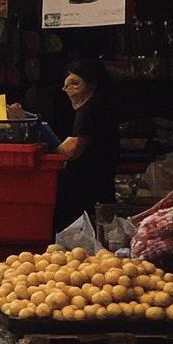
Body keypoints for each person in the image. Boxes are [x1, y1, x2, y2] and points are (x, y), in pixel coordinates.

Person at [52, 59, 119, 231]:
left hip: (89, 184)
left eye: (75, 83)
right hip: (95, 182)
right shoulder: (91, 107)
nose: (68, 89)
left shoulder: (91, 108)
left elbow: (74, 148)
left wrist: (50, 150)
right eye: (66, 85)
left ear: (92, 85)